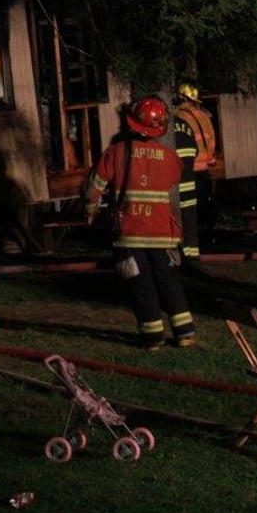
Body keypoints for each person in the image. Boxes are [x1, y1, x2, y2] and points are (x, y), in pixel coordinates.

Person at [85, 96, 196, 350]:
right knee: (167, 279)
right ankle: (185, 333)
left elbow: (94, 187)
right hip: (162, 232)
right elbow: (173, 177)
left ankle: (153, 337)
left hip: (130, 232)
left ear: (130, 124)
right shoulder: (169, 156)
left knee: (140, 282)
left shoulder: (116, 153)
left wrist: (90, 210)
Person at [172, 82, 217, 257]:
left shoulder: (179, 117)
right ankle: (206, 242)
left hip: (189, 169)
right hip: (205, 169)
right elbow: (212, 141)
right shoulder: (205, 116)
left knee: (188, 211)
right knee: (203, 208)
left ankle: (188, 246)